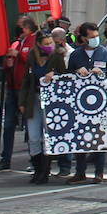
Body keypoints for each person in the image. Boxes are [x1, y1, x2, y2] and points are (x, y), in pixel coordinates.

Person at [66, 22, 107, 184]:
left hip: (101, 102)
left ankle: (99, 172)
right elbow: (67, 78)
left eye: (96, 36)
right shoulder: (76, 55)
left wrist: (103, 73)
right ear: (83, 38)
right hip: (80, 103)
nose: (95, 39)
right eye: (91, 37)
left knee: (100, 137)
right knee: (80, 136)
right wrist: (76, 72)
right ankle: (80, 171)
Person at [19, 31, 66, 184]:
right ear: (38, 44)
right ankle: (37, 168)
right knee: (33, 137)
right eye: (45, 44)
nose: (49, 46)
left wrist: (55, 74)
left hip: (51, 102)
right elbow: (26, 80)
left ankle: (45, 171)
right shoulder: (32, 57)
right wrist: (22, 102)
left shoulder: (57, 57)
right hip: (34, 99)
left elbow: (65, 77)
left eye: (50, 43)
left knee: (47, 137)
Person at [0, 15, 37, 173]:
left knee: (30, 126)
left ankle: (35, 159)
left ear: (27, 27)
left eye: (21, 26)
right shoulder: (18, 42)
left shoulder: (34, 41)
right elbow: (8, 63)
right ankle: (5, 159)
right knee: (8, 125)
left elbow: (34, 59)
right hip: (12, 87)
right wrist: (8, 62)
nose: (18, 29)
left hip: (25, 89)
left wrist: (20, 55)